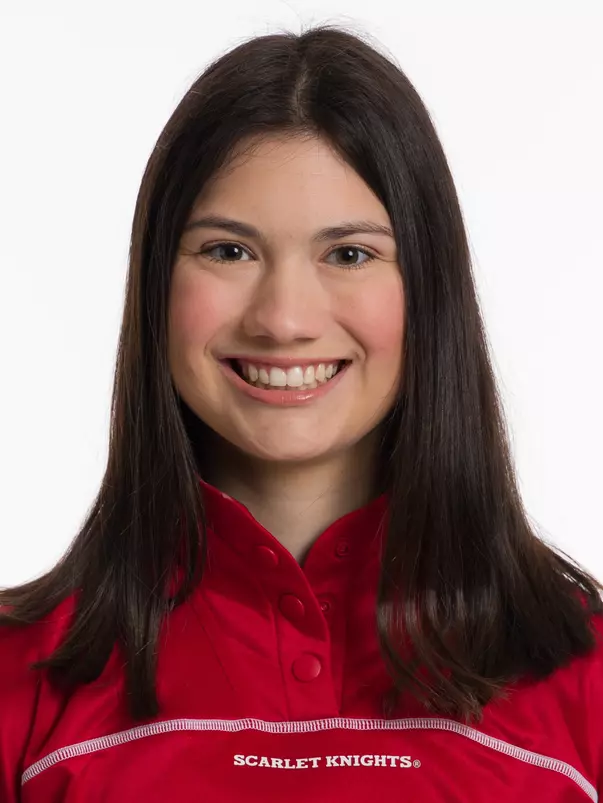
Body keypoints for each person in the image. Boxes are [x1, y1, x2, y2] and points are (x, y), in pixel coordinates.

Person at [1, 22, 602, 803]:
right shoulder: (20, 676)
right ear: (155, 283)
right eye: (228, 251)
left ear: (428, 289)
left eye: (348, 254)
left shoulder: (582, 679)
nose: (283, 318)